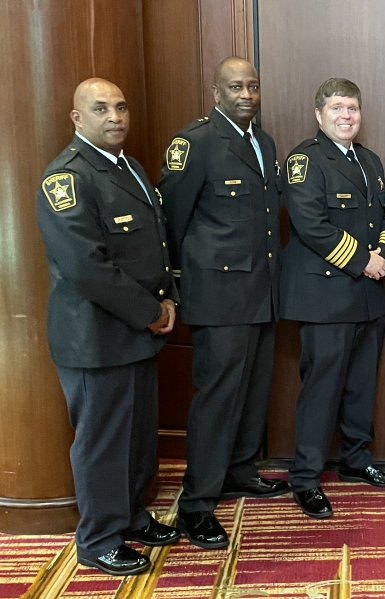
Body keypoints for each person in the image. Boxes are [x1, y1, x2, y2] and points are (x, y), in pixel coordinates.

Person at [36, 78, 180, 576]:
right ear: (78, 119)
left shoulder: (130, 167)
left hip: (136, 333)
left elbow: (153, 247)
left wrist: (167, 299)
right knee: (101, 442)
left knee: (137, 437)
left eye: (120, 106)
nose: (115, 116)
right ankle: (98, 539)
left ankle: (131, 517)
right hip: (95, 338)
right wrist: (151, 311)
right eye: (100, 108)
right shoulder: (68, 178)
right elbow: (87, 268)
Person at [157, 57, 287, 549]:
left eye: (253, 85)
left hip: (260, 290)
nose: (247, 94)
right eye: (236, 86)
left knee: (253, 390)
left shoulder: (264, 141)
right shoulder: (195, 143)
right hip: (218, 295)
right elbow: (171, 219)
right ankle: (196, 503)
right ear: (216, 92)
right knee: (216, 400)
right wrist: (173, 285)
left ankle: (238, 471)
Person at [281, 78, 385, 519]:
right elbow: (311, 225)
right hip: (325, 295)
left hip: (367, 295)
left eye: (352, 107)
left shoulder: (368, 160)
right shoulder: (304, 160)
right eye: (336, 108)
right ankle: (306, 477)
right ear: (319, 115)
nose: (346, 115)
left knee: (360, 384)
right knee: (322, 387)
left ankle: (355, 458)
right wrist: (363, 261)